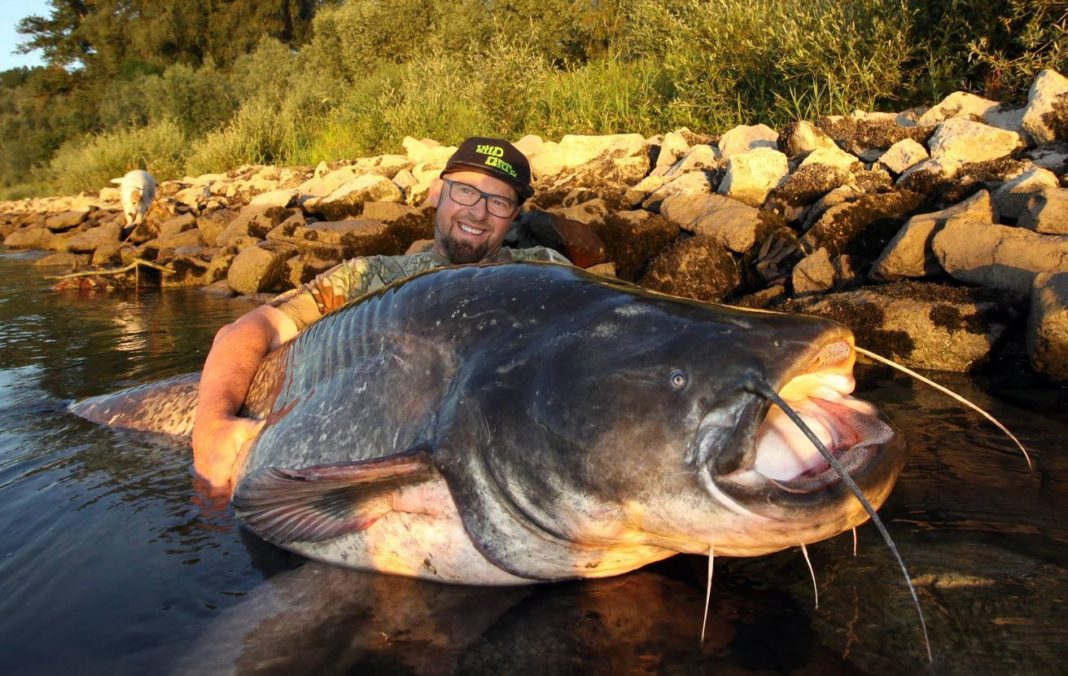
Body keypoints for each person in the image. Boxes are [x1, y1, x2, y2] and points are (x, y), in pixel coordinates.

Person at [192, 137, 570, 490]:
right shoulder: (370, 278)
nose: (479, 212)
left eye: (498, 202)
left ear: (514, 215)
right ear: (436, 192)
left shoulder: (546, 272)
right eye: (466, 191)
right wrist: (211, 424)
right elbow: (250, 329)